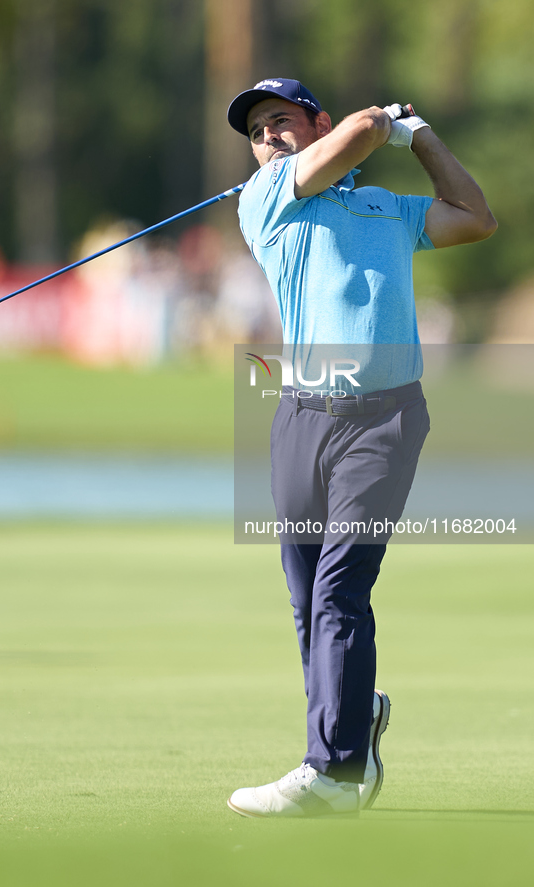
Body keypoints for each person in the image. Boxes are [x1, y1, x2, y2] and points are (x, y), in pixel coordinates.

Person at [225, 79, 497, 818]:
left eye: (280, 123)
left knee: (340, 587)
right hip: (299, 418)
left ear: (314, 118)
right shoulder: (268, 197)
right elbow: (357, 135)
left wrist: (423, 137)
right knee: (306, 599)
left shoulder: (384, 209)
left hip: (383, 422)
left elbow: (475, 218)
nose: (268, 139)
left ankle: (335, 772)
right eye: (257, 132)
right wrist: (382, 121)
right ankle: (355, 709)